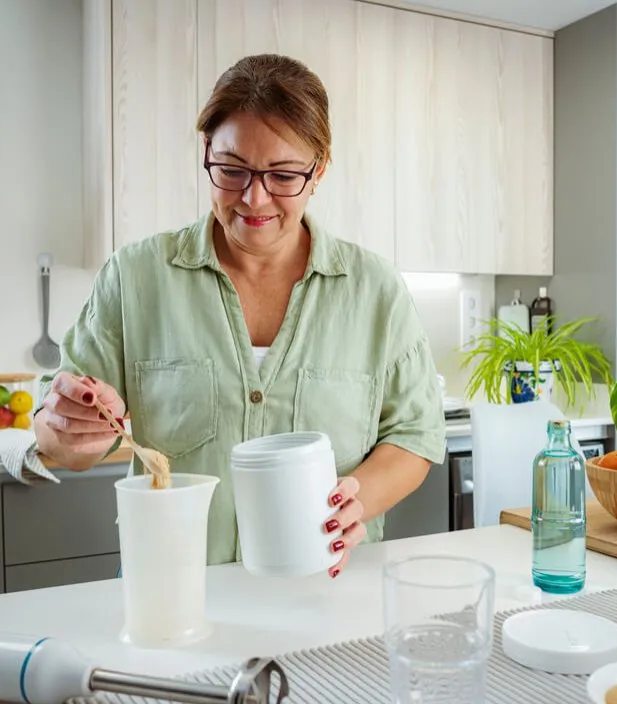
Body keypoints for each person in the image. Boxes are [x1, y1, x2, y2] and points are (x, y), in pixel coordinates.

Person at [36, 54, 446, 578]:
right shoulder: (135, 278)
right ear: (206, 151)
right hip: (175, 592)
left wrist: (356, 501)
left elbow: (414, 435)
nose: (254, 198)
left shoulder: (376, 291)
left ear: (319, 169)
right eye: (232, 170)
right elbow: (57, 436)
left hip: (329, 596)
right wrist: (67, 430)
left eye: (282, 175)